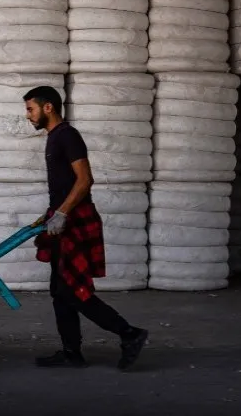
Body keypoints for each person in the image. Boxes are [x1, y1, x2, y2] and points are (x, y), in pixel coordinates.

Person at [22, 86, 148, 371]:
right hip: (62, 219)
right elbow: (65, 185)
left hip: (75, 220)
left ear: (48, 108)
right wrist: (49, 215)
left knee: (71, 289)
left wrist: (62, 214)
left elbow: (84, 179)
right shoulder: (54, 137)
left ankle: (130, 334)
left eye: (30, 109)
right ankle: (71, 353)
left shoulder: (67, 136)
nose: (27, 116)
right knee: (59, 289)